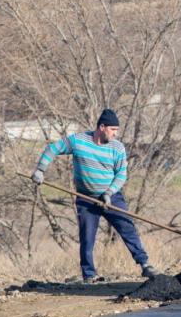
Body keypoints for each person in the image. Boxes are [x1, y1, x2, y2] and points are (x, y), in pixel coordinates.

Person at [31, 109, 159, 282]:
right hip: (86, 198)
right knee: (87, 236)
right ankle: (89, 275)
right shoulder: (78, 142)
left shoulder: (117, 148)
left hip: (111, 196)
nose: (115, 134)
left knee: (127, 227)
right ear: (102, 127)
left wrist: (109, 192)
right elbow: (53, 148)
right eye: (113, 129)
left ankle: (145, 265)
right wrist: (40, 169)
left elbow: (121, 174)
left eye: (117, 131)